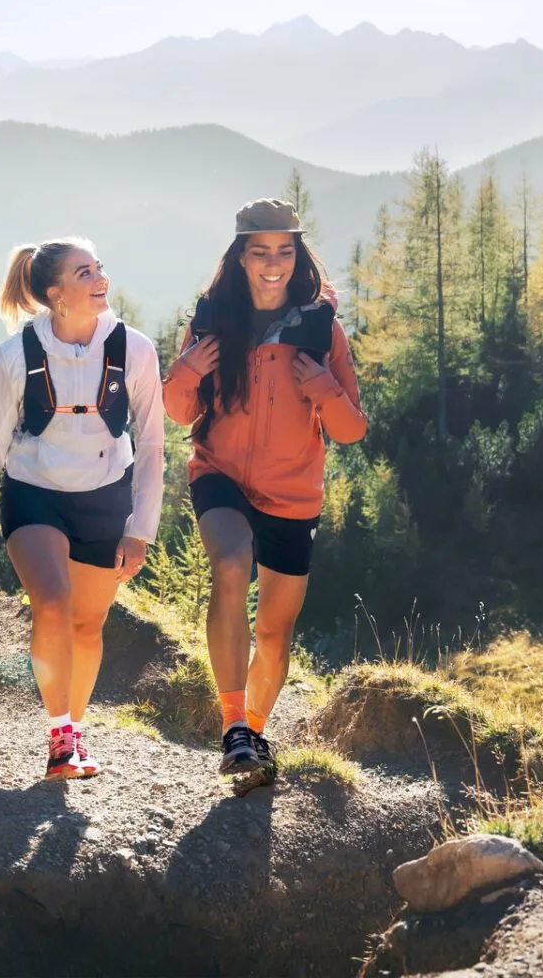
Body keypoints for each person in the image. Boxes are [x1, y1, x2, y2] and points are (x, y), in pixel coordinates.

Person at [163, 198, 366, 781]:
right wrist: (186, 373)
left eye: (284, 250)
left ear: (296, 254)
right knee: (229, 564)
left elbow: (351, 429)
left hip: (292, 495)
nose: (273, 263)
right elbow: (180, 412)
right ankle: (232, 725)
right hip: (219, 474)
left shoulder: (321, 330)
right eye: (260, 252)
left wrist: (325, 387)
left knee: (275, 630)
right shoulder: (210, 322)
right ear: (241, 257)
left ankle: (251, 736)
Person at [0, 238, 164, 780]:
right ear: (57, 294)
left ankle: (74, 726)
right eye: (85, 272)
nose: (101, 279)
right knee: (52, 602)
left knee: (87, 627)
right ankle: (60, 741)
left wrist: (141, 529)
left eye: (100, 268)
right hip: (34, 493)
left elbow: (153, 445)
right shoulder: (16, 356)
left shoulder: (135, 350)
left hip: (105, 498)